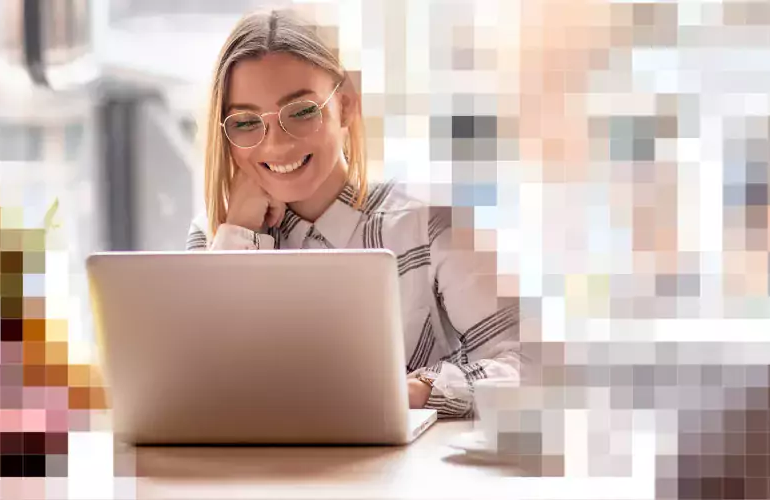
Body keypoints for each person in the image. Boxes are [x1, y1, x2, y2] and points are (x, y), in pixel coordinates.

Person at [185, 8, 521, 418]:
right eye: (245, 122)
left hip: (403, 477)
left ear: (344, 106)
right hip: (257, 479)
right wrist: (237, 233)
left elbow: (527, 368)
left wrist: (411, 393)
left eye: (302, 112)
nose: (274, 146)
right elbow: (197, 392)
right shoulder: (215, 236)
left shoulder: (429, 221)